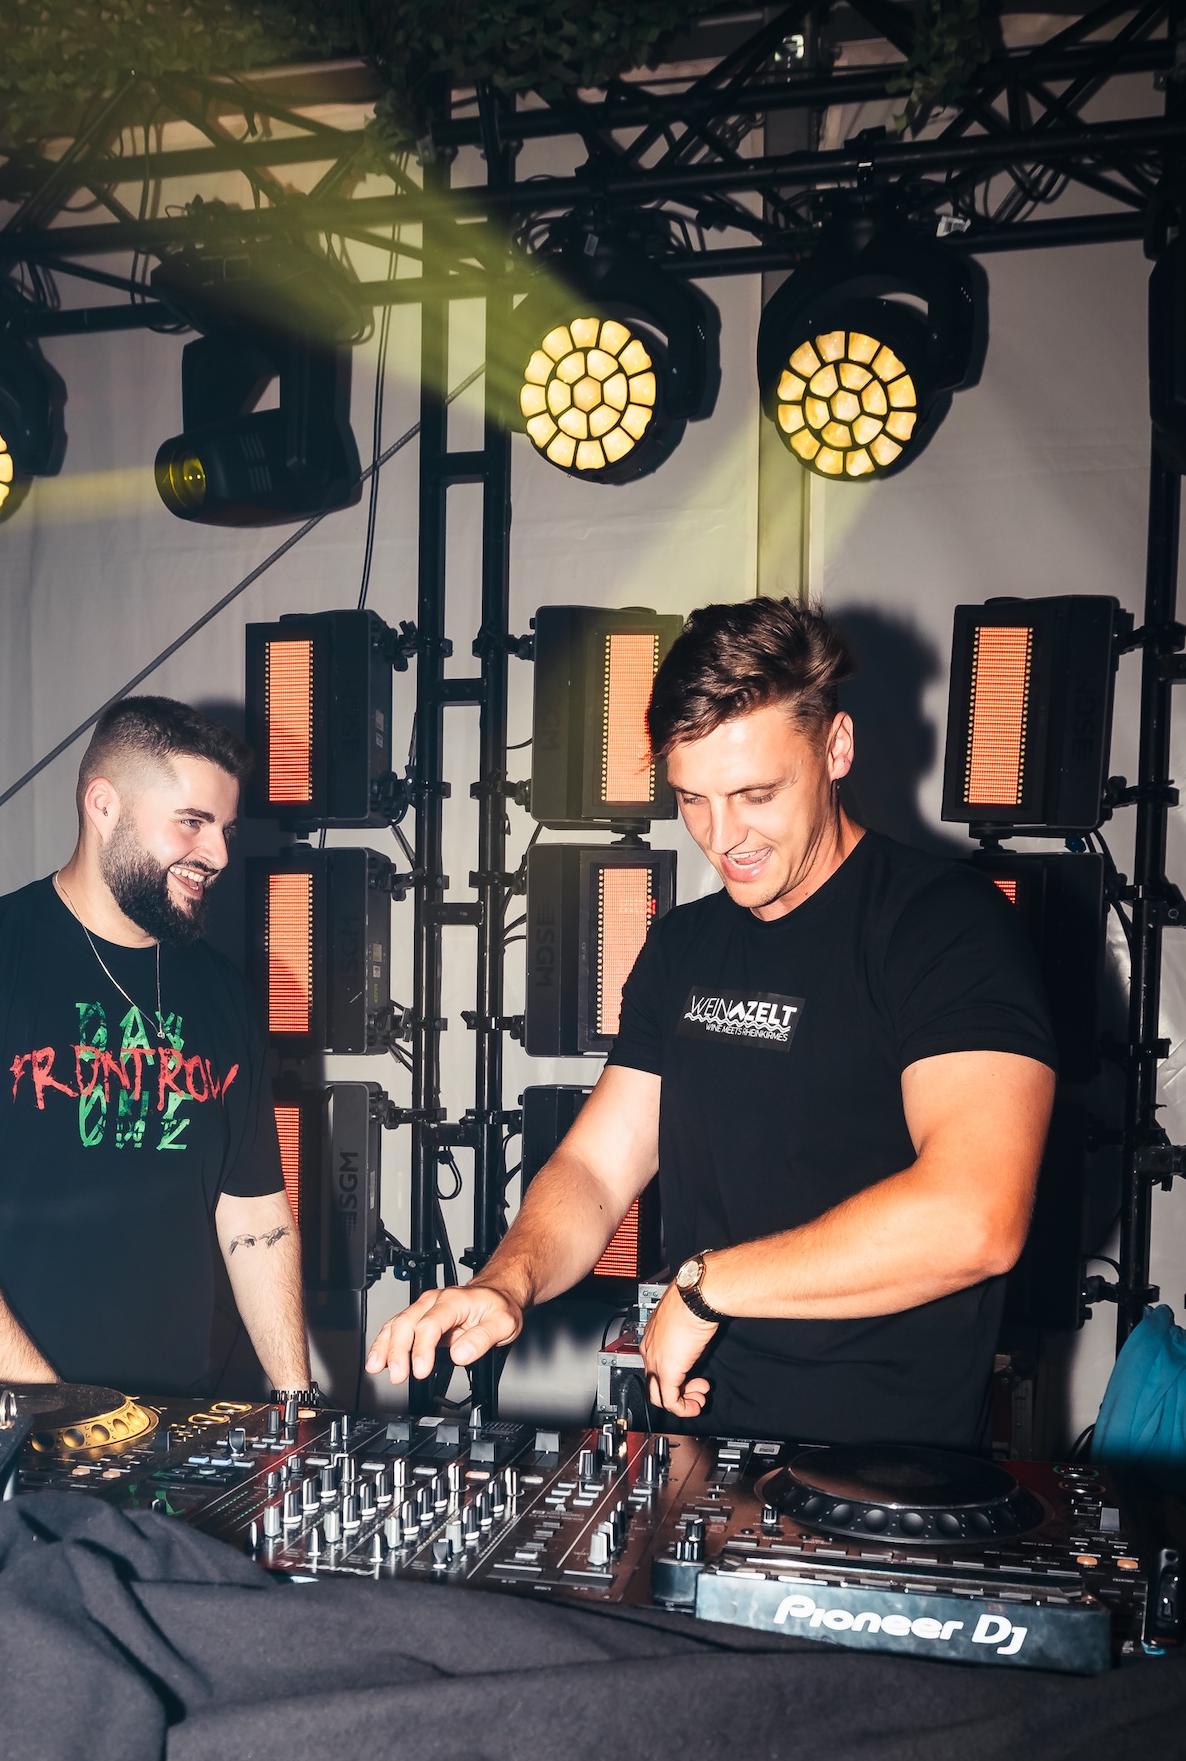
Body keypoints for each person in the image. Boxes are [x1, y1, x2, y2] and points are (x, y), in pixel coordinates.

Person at [367, 598, 1056, 1448]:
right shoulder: (683, 946)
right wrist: (506, 1282)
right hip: (695, 1440)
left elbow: (977, 1216)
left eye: (756, 794)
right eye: (692, 798)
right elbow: (594, 1166)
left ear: (835, 748)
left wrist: (706, 1285)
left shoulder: (944, 924)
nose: (723, 837)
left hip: (886, 1467)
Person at [0, 696, 310, 1398]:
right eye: (192, 822)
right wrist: (59, 1412)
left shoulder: (225, 994)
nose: (217, 854)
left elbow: (254, 1217)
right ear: (104, 805)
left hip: (157, 1421)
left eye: (226, 829)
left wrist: (298, 1405)